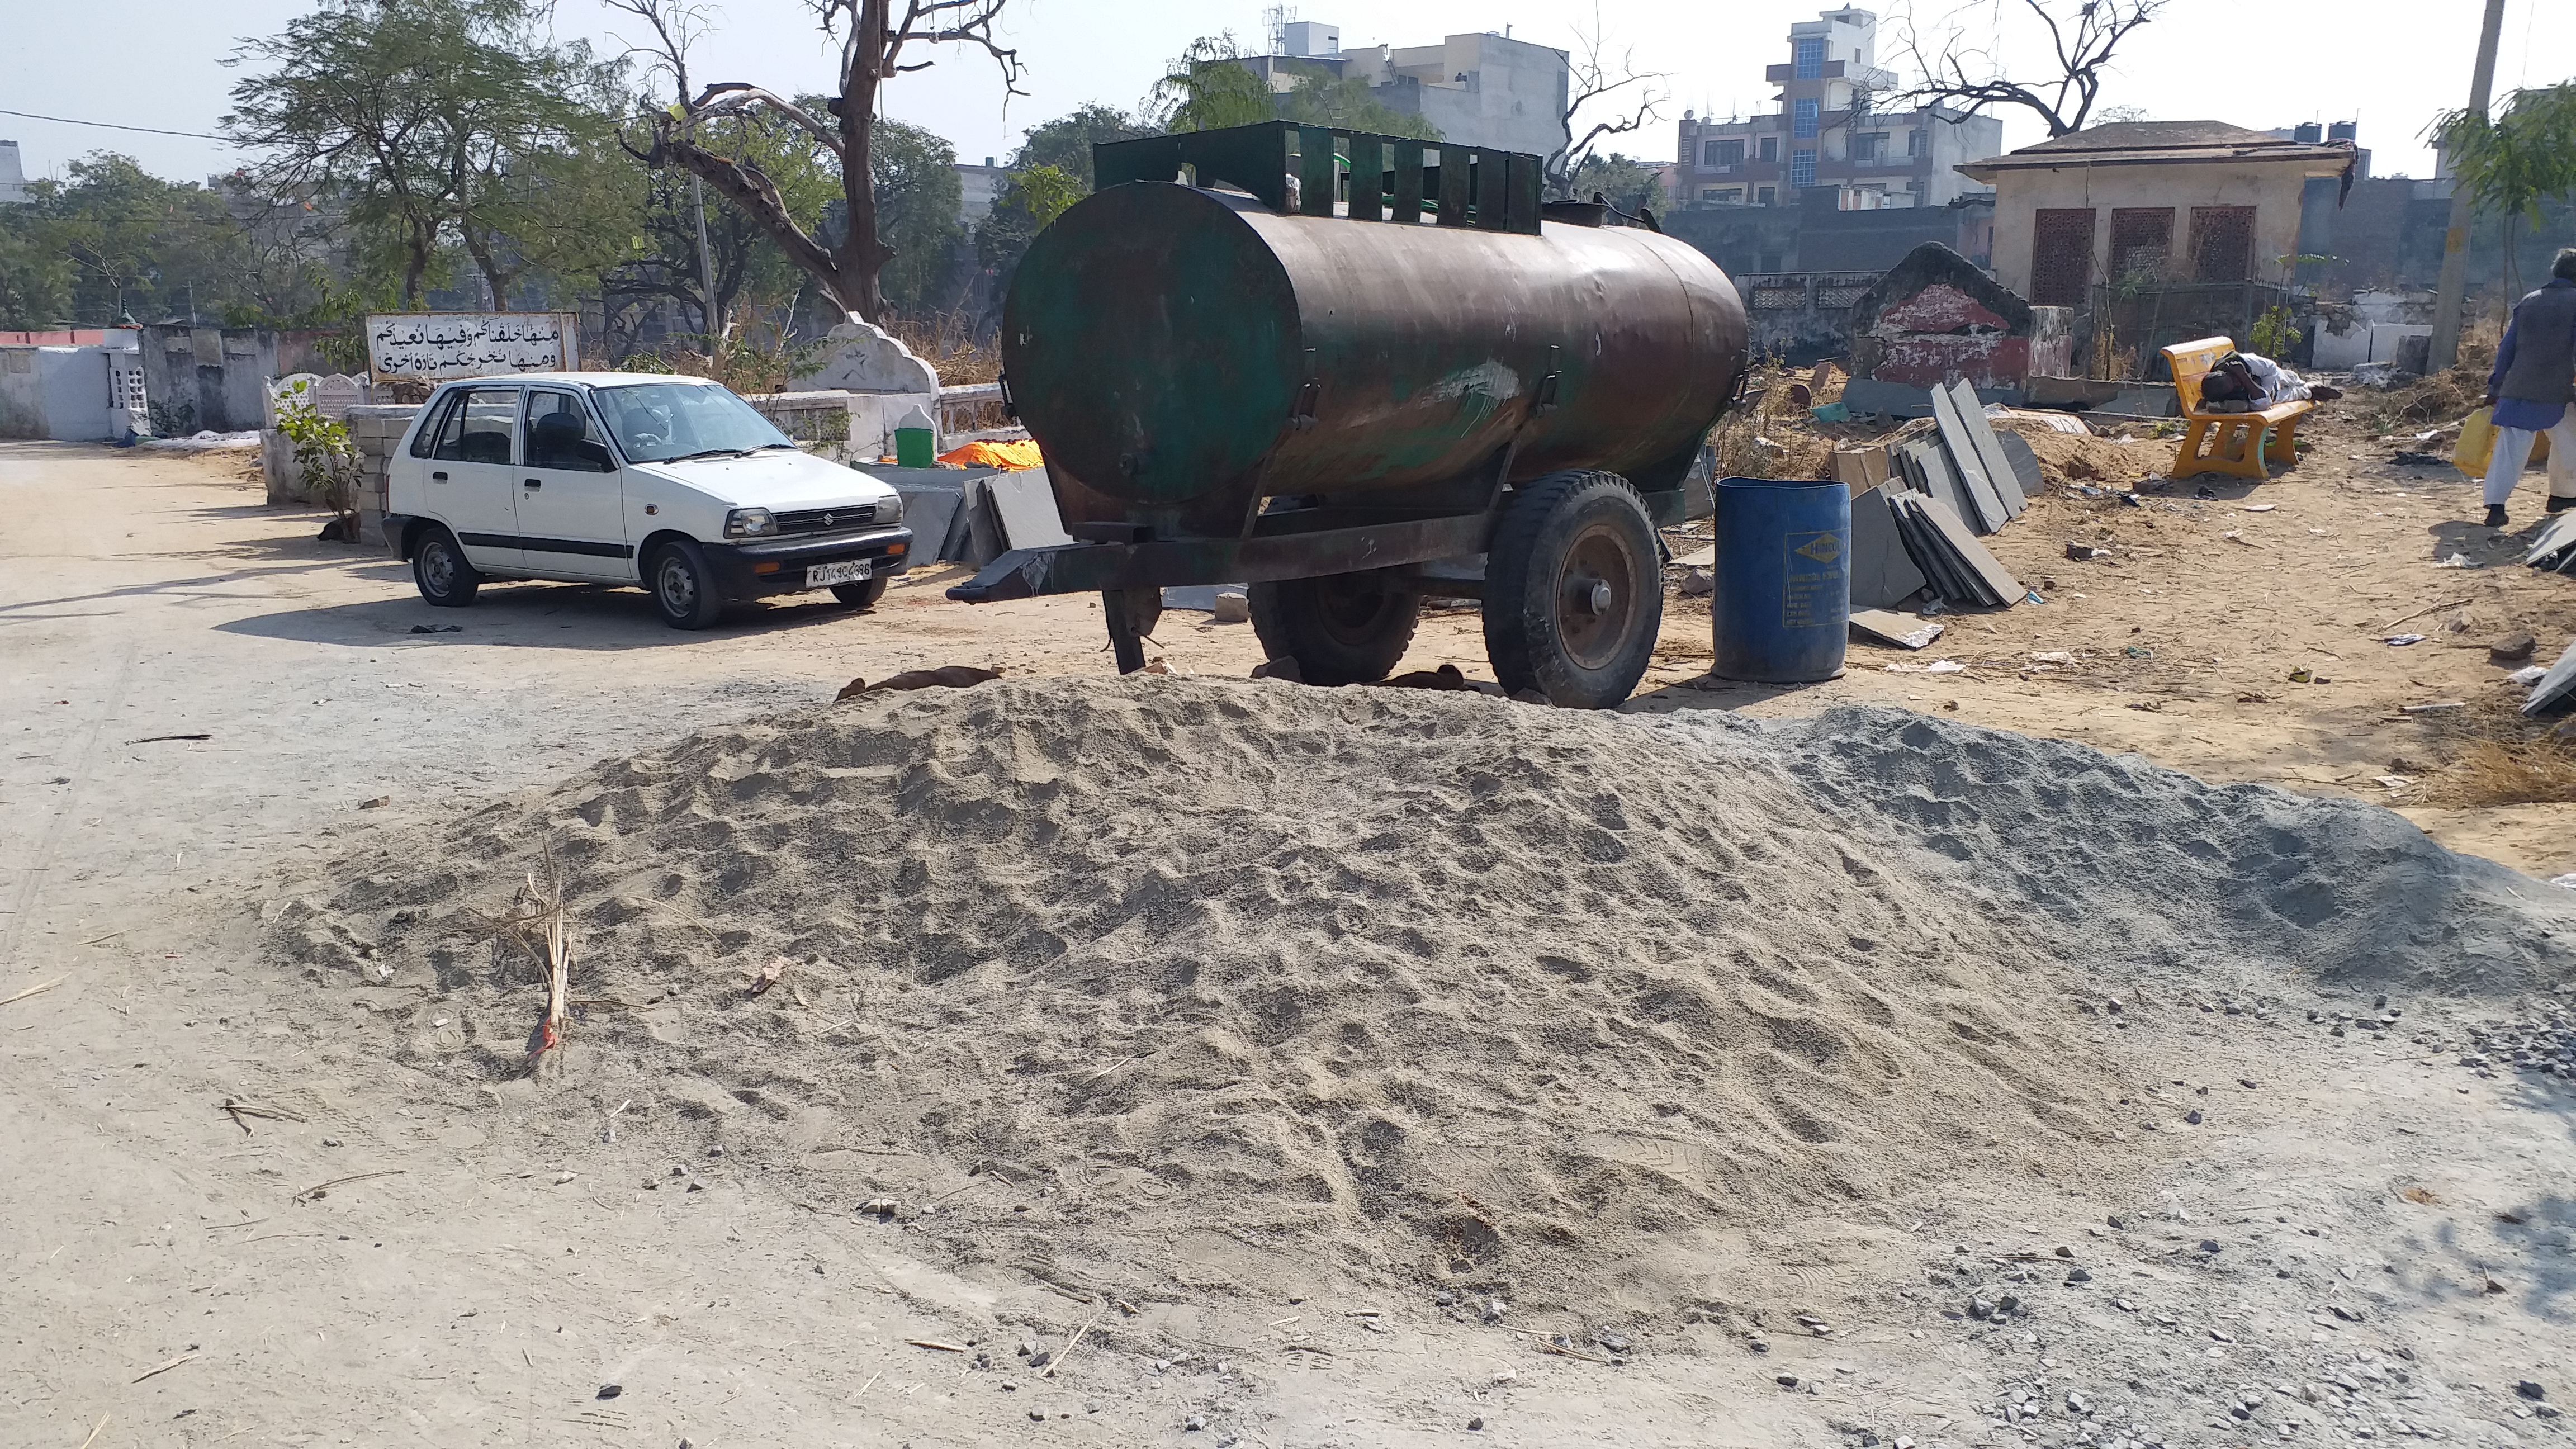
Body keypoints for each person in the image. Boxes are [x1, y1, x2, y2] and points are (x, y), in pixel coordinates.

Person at [2481, 247, 2576, 529]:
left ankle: (2496, 508)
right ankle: (2562, 495)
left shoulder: (2530, 301)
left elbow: (2506, 348)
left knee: (2511, 447)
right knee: (2569, 440)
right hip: (2558, 390)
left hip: (2519, 386)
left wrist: (2496, 385)